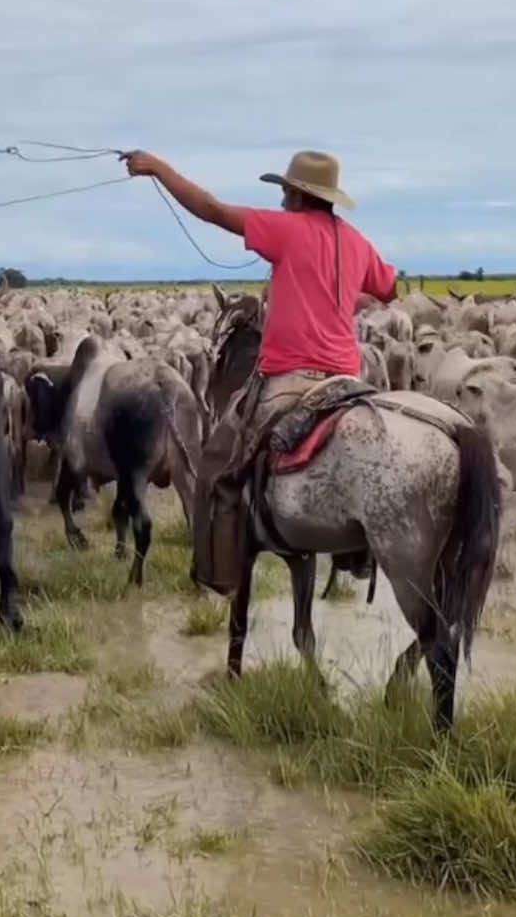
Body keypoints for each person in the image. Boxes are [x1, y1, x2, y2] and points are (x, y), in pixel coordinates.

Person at [122, 147, 397, 595]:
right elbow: (390, 288)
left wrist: (159, 169)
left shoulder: (284, 228)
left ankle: (219, 574)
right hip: (349, 380)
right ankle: (358, 553)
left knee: (215, 462)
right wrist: (347, 297)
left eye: (286, 189)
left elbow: (211, 209)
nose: (283, 197)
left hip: (290, 379)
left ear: (299, 194)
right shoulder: (357, 241)